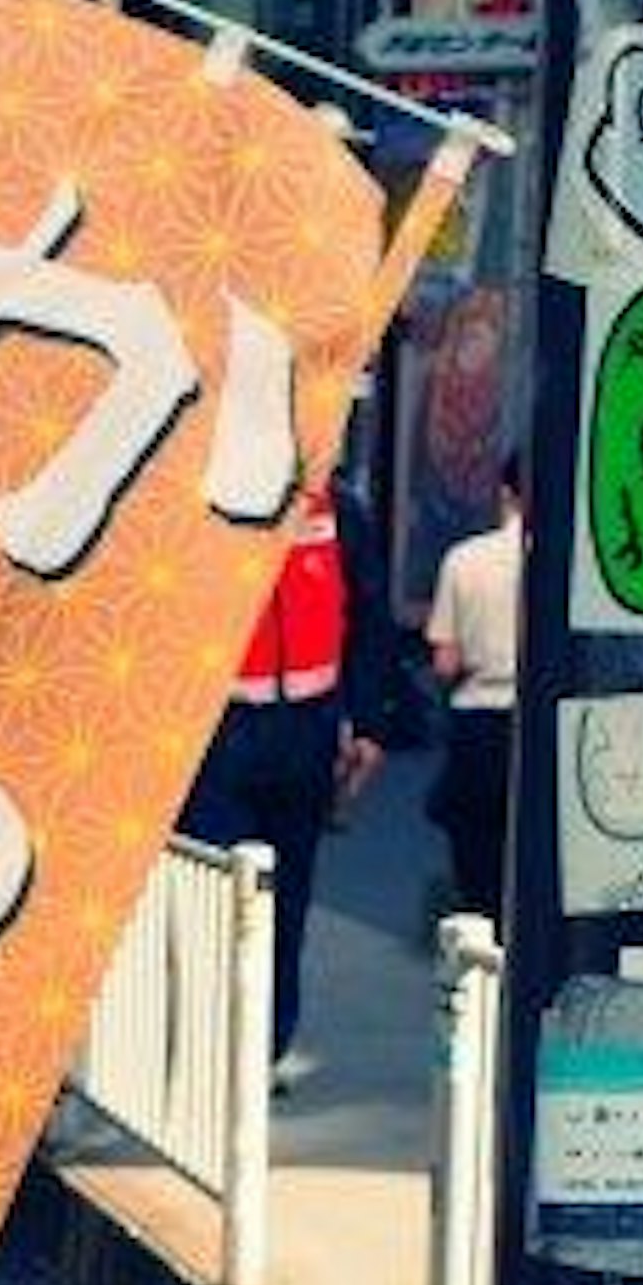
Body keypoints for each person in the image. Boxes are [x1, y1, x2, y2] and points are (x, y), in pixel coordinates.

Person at [180, 461, 399, 1093]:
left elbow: (369, 621)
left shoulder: (338, 512)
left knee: (286, 900)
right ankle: (211, 1047)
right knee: (220, 899)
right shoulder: (201, 503)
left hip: (304, 736)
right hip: (217, 737)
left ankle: (265, 1049)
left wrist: (370, 724)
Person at [424, 462, 528, 929]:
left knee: (476, 857)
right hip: (534, 721)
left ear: (505, 492)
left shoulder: (464, 560)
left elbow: (445, 662)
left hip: (478, 722)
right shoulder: (562, 564)